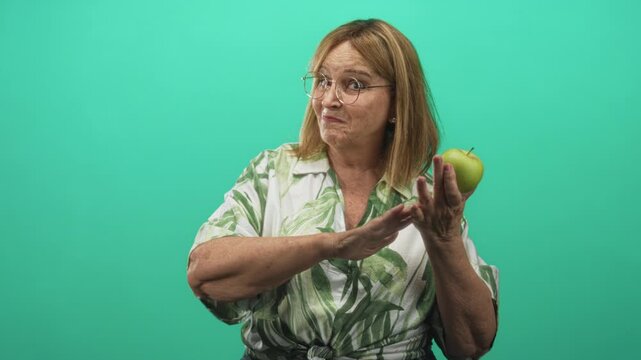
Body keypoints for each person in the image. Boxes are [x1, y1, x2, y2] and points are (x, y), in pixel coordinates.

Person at [187, 19, 499, 360]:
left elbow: (470, 345)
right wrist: (332, 244)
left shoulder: (428, 200)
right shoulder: (272, 171)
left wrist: (445, 239)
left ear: (397, 103)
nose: (328, 100)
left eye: (354, 85)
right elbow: (205, 275)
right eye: (322, 81)